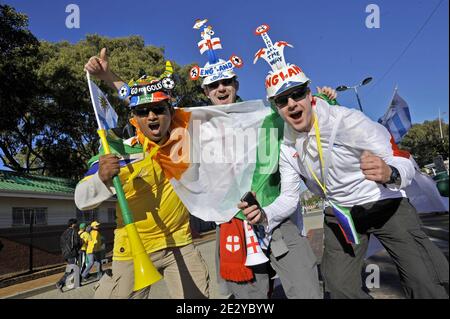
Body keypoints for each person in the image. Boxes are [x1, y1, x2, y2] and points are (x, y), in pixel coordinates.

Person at [244, 24, 449, 299]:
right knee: (339, 288)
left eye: (297, 93)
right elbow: (290, 197)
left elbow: (401, 158)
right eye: (282, 100)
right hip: (340, 215)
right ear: (276, 107)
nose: (292, 104)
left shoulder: (346, 120)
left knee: (423, 281)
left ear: (309, 94)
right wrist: (265, 214)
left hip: (383, 203)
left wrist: (389, 172)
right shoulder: (285, 147)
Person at [75, 59, 210, 299]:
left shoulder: (185, 138)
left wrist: (108, 75)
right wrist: (101, 178)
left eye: (158, 109)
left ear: (171, 112)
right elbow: (81, 199)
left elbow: (139, 94)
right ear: (133, 119)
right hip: (132, 250)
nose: (151, 116)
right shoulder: (116, 150)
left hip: (179, 244)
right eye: (142, 112)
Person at [56, 218, 82, 292]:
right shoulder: (74, 231)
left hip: (66, 254)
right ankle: (60, 283)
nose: (77, 225)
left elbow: (61, 243)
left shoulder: (64, 233)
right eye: (76, 223)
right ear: (73, 224)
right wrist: (81, 243)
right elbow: (77, 242)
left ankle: (77, 283)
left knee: (75, 268)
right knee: (71, 270)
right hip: (72, 253)